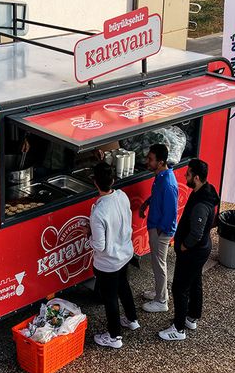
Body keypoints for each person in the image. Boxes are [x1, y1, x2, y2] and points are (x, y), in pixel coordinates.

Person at [159, 159, 220, 342]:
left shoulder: (201, 204)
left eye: (188, 174)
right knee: (195, 282)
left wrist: (184, 246)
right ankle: (192, 317)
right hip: (200, 250)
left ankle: (178, 328)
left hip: (193, 252)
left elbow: (196, 233)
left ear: (197, 177)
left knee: (180, 287)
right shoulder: (203, 192)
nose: (185, 176)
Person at [88, 162, 140, 349]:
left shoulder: (98, 212)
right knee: (123, 286)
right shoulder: (122, 196)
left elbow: (99, 246)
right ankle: (132, 319)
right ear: (113, 180)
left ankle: (114, 336)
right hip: (125, 253)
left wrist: (88, 239)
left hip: (108, 262)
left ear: (95, 183)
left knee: (110, 297)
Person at [138, 143, 179, 313]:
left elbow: (171, 213)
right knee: (157, 263)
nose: (148, 162)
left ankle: (162, 300)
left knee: (159, 264)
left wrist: (160, 232)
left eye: (151, 159)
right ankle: (159, 292)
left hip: (160, 230)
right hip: (158, 228)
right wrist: (147, 204)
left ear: (161, 162)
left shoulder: (167, 183)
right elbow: (158, 197)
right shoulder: (162, 176)